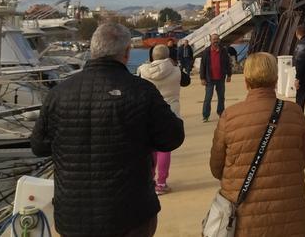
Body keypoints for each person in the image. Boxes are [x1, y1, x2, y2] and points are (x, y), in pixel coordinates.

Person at [30, 22, 184, 237]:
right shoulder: (141, 90)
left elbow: (38, 146)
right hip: (131, 214)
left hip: (74, 216)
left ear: (93, 50)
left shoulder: (59, 93)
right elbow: (173, 138)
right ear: (127, 52)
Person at [210, 52, 305, 236]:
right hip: (289, 210)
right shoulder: (294, 112)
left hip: (245, 217)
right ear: (276, 79)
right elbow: (304, 158)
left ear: (246, 81)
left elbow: (216, 167)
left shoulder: (230, 116)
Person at [137, 44, 183, 195]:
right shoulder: (176, 70)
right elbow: (186, 81)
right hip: (170, 112)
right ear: (168, 55)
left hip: (148, 113)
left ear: (152, 56)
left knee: (151, 149)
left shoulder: (142, 71)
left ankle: (150, 180)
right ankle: (162, 183)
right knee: (165, 149)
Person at [199, 33, 233, 122]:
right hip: (209, 79)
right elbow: (203, 65)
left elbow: (227, 63)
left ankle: (221, 113)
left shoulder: (223, 51)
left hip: (220, 78)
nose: (215, 41)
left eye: (217, 39)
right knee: (208, 98)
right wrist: (202, 78)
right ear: (210, 41)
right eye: (214, 39)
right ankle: (205, 115)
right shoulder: (206, 51)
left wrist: (229, 75)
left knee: (221, 97)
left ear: (219, 40)